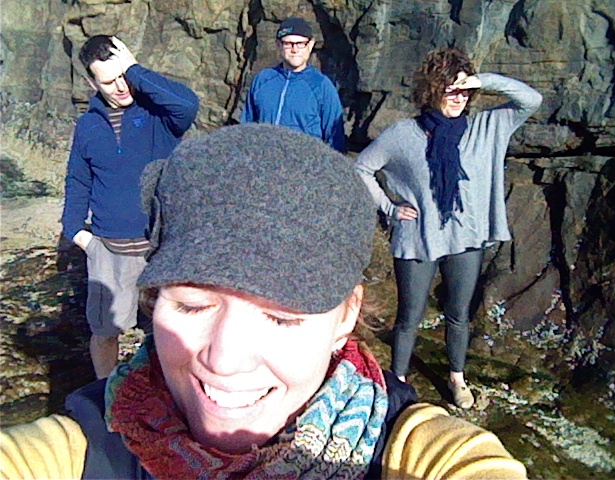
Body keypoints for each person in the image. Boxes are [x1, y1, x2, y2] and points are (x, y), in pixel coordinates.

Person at [1, 124, 528, 479]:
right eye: (192, 305)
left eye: (281, 317)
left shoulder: (408, 453)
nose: (224, 360)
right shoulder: (95, 439)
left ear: (346, 316)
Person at [355, 47, 543, 409]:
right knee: (409, 317)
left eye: (464, 91)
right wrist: (391, 208)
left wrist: (481, 80)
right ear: (431, 89)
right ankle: (398, 382)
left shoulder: (486, 127)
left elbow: (531, 99)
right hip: (418, 238)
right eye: (450, 89)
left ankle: (457, 378)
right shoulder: (403, 134)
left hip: (466, 238)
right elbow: (362, 168)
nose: (458, 98)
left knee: (459, 315)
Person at [61, 35, 199, 379]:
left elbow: (188, 105)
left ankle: (166, 394)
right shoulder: (88, 125)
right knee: (105, 332)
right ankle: (105, 395)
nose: (121, 87)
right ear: (92, 83)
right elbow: (78, 180)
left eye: (124, 76)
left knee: (168, 331)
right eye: (109, 81)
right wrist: (77, 232)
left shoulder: (159, 115)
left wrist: (135, 69)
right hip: (109, 251)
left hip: (160, 249)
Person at [241, 17, 347, 152]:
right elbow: (246, 129)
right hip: (263, 160)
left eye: (300, 43)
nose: (294, 50)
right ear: (278, 45)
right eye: (288, 44)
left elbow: (335, 139)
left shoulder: (322, 86)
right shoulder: (262, 80)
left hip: (304, 163)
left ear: (310, 45)